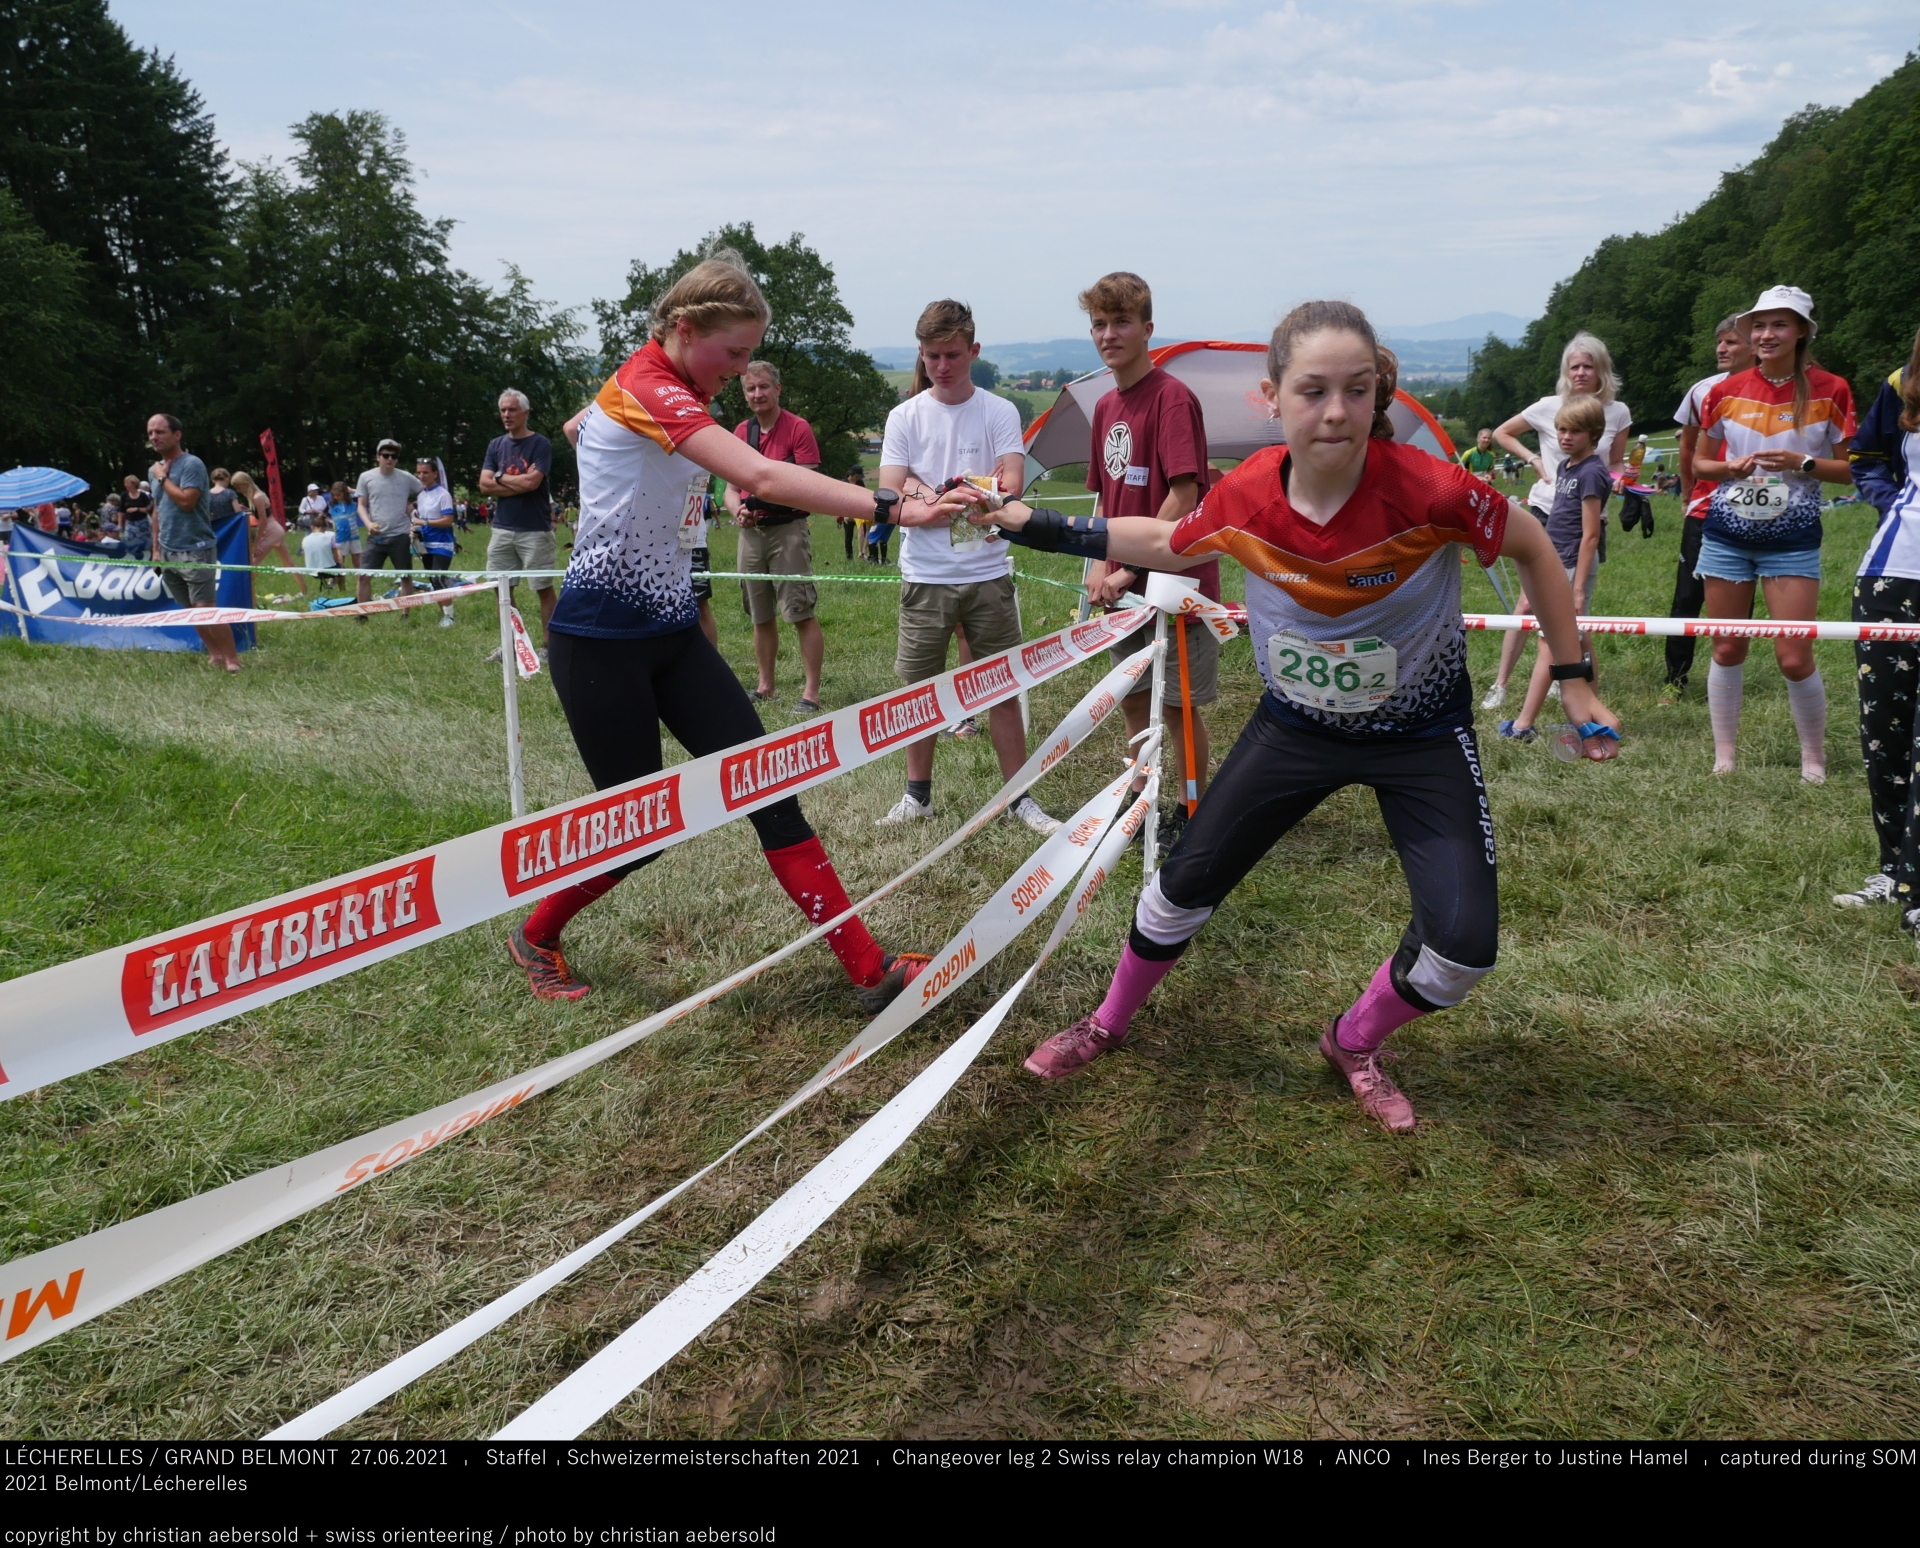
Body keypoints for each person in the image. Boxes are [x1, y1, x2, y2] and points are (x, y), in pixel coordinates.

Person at [982, 300, 1618, 1130]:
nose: (1337, 412)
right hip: (1297, 729)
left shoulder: (1431, 488)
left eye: (1357, 390)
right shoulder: (1247, 494)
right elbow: (1166, 543)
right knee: (1176, 894)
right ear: (1270, 398)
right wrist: (1035, 523)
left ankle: (1352, 1041)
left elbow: (1533, 544)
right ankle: (1107, 1021)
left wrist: (1573, 678)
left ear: (1377, 393)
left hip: (1420, 735)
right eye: (1313, 390)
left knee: (1461, 953)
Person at [524, 248, 968, 1010]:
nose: (734, 373)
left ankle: (870, 969)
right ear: (686, 327)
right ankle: (535, 935)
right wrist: (893, 508)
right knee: (639, 831)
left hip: (671, 635)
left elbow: (574, 427)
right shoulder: (647, 385)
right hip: (599, 641)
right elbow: (760, 477)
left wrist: (592, 436)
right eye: (730, 355)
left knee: (769, 788)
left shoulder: (650, 386)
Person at [877, 298, 1061, 836]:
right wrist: (932, 496)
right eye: (932, 356)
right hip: (925, 575)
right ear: (921, 354)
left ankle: (1019, 798)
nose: (942, 366)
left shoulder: (1000, 410)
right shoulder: (904, 416)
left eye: (953, 355)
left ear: (973, 351)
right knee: (920, 691)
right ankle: (917, 797)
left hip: (987, 570)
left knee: (1003, 687)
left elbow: (1012, 483)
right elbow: (891, 483)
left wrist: (965, 495)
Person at [1075, 270, 1220, 846]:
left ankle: (1188, 813)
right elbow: (1103, 498)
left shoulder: (1172, 399)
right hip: (1118, 584)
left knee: (1179, 706)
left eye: (1121, 322)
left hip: (1173, 580)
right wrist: (1095, 564)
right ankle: (1140, 797)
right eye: (1099, 324)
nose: (1109, 334)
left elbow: (1186, 495)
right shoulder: (1105, 405)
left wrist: (1133, 564)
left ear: (1147, 329)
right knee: (1132, 694)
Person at [1692, 285, 1854, 781]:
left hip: (1794, 536)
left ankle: (1814, 758)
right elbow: (1700, 461)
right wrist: (1730, 470)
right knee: (1726, 647)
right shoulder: (1722, 390)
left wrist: (1803, 463)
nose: (1766, 334)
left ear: (1802, 330)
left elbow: (1850, 471)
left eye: (1779, 325)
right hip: (1727, 531)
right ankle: (1725, 758)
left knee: (1793, 655)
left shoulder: (1832, 389)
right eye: (1758, 325)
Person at [1483, 333, 1633, 708]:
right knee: (1525, 605)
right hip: (1544, 513)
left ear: (1602, 371)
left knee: (1573, 607)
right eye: (1575, 366)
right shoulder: (1547, 406)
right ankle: (1501, 684)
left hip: (1586, 518)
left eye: (1589, 366)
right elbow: (1502, 432)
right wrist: (1533, 460)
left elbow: (1614, 463)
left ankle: (1560, 679)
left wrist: (1619, 482)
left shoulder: (1618, 412)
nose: (1581, 372)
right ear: (1566, 372)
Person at [1838, 324, 1920, 912]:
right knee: (1887, 735)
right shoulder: (1902, 383)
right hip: (1893, 577)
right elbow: (1864, 455)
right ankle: (1896, 874)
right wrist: (1896, 503)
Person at [1498, 395, 1611, 741]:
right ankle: (1594, 711)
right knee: (1580, 636)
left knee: (1551, 642)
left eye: (1574, 431)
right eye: (1561, 429)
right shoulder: (1566, 467)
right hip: (1555, 559)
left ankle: (1523, 724)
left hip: (1572, 566)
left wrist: (1577, 587)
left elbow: (1590, 535)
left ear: (1593, 434)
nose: (1565, 437)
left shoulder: (1592, 473)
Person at [1662, 316, 1757, 700]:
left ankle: (1729, 676)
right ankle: (1674, 680)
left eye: (1731, 342)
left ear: (1754, 346)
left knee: (1741, 600)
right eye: (1719, 341)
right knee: (1688, 597)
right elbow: (1687, 446)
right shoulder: (1702, 390)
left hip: (1755, 510)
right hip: (1706, 507)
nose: (1721, 348)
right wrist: (1687, 492)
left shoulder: (1778, 391)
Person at [725, 360, 826, 713]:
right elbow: (730, 486)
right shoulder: (741, 432)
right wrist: (737, 509)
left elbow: (805, 482)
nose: (757, 394)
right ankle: (765, 686)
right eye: (751, 389)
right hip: (751, 534)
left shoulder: (798, 428)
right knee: (759, 614)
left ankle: (811, 693)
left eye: (764, 387)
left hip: (788, 531)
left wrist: (754, 501)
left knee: (799, 611)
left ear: (778, 389)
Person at [146, 413, 241, 672]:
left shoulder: (192, 464)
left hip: (196, 548)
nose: (154, 437)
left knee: (205, 608)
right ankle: (215, 655)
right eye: (151, 433)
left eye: (160, 432)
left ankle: (233, 660)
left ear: (177, 434)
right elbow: (158, 510)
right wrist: (155, 549)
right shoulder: (154, 469)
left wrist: (163, 478)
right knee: (188, 609)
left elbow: (187, 502)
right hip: (167, 550)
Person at [481, 389, 556, 652]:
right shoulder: (496, 445)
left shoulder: (540, 444)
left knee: (543, 588)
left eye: (512, 409)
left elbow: (532, 482)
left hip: (535, 530)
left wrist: (500, 477)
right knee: (501, 589)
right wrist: (515, 482)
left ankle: (548, 647)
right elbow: (484, 485)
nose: (506, 414)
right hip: (502, 528)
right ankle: (510, 644)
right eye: (503, 409)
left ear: (525, 412)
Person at [356, 438, 421, 603]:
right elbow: (361, 506)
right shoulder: (365, 477)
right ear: (378, 457)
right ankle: (362, 614)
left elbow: (427, 491)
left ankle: (406, 614)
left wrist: (413, 507)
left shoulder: (406, 477)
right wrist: (368, 524)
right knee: (363, 576)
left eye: (394, 456)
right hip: (376, 536)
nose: (390, 459)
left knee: (406, 576)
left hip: (400, 535)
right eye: (386, 455)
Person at [412, 457, 458, 625]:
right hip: (426, 544)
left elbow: (447, 520)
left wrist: (424, 522)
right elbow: (419, 518)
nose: (422, 476)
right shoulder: (421, 495)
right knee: (433, 580)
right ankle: (445, 614)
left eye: (425, 472)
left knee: (438, 578)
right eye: (419, 473)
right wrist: (416, 528)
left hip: (443, 544)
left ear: (435, 474)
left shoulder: (443, 494)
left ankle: (449, 616)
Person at [233, 470, 295, 592]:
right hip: (274, 529)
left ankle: (247, 594)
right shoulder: (255, 496)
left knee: (252, 564)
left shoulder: (257, 497)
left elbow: (263, 521)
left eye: (238, 487)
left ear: (245, 483)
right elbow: (261, 514)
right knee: (288, 562)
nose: (237, 490)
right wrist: (247, 509)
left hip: (271, 530)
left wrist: (257, 542)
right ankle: (304, 591)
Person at [301, 513, 341, 594]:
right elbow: (336, 557)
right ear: (326, 528)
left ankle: (330, 584)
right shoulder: (330, 537)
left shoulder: (305, 539)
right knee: (340, 562)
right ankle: (340, 586)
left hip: (312, 571)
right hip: (329, 570)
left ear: (312, 527)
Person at [327, 480, 361, 569]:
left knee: (357, 563)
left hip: (354, 536)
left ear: (345, 493)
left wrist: (353, 490)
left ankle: (359, 583)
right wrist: (330, 521)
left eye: (338, 494)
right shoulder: (331, 504)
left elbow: (366, 493)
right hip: (340, 537)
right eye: (334, 495)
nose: (336, 497)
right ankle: (340, 581)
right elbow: (321, 514)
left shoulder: (354, 502)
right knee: (340, 563)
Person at [121, 474, 152, 558]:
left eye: (127, 483)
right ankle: (132, 557)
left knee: (145, 541)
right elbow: (121, 510)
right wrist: (119, 525)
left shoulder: (142, 495)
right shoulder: (124, 495)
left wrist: (137, 509)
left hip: (142, 522)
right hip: (129, 522)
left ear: (134, 484)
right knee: (128, 540)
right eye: (125, 483)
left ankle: (147, 557)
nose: (125, 485)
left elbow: (149, 507)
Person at [840, 464, 866, 562]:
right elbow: (840, 500)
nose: (858, 478)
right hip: (847, 514)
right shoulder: (843, 483)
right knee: (848, 537)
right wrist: (844, 515)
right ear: (852, 474)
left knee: (863, 534)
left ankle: (863, 554)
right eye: (857, 475)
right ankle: (849, 558)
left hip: (859, 513)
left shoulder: (860, 483)